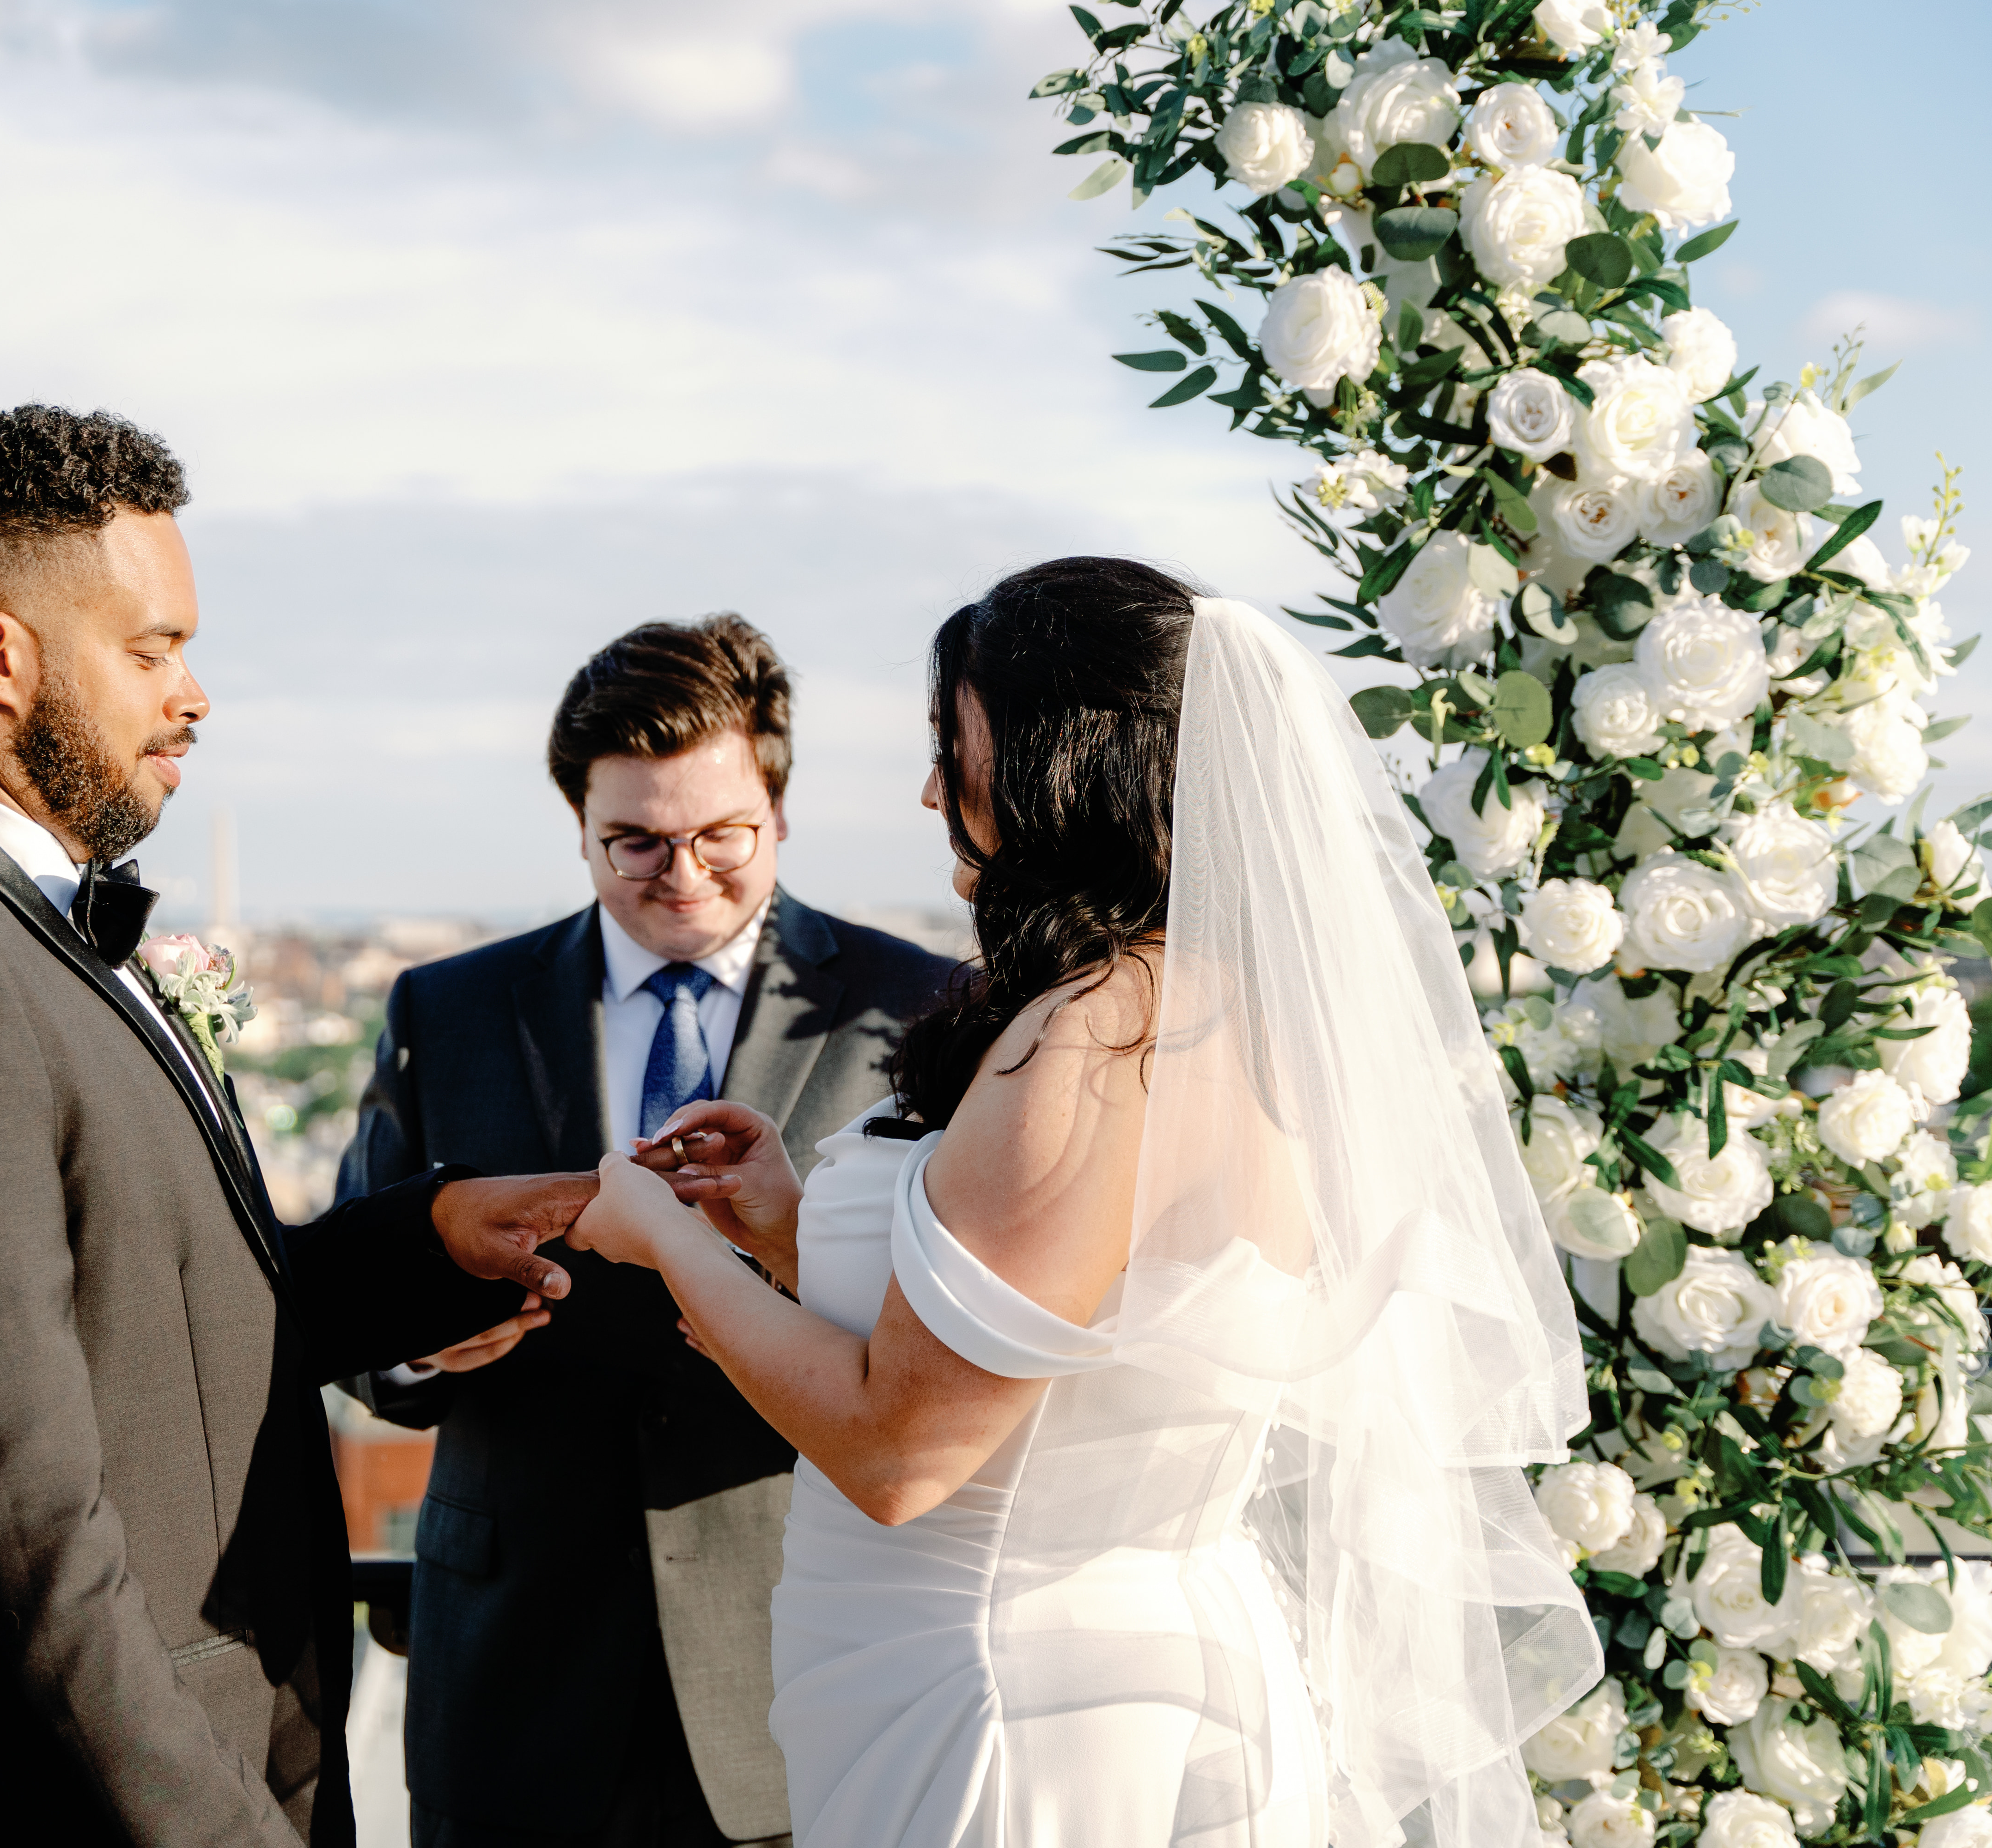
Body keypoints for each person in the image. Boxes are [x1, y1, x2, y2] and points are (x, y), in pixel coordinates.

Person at [562, 560, 1600, 1847]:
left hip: (1010, 1697)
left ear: (1063, 757)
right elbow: (1102, 1309)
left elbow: (906, 1455)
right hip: (1131, 1660)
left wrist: (659, 1239)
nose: (934, 789)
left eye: (957, 744)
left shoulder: (1092, 1041)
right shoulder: (1227, 1009)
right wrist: (785, 1224)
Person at [0, 405, 625, 1847]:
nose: (193, 697)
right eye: (151, 651)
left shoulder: (14, 928)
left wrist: (427, 1242)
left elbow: (142, 1316)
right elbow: (8, 1541)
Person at [338, 614, 954, 1848]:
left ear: (780, 812)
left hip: (803, 1659)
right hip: (515, 1677)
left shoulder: (919, 1007)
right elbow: (359, 1303)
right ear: (577, 826)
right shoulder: (447, 1009)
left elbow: (938, 1323)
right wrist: (422, 1344)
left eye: (722, 836)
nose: (681, 876)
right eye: (634, 844)